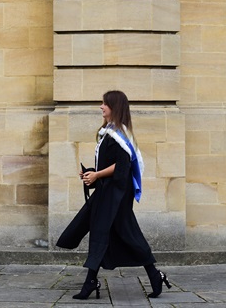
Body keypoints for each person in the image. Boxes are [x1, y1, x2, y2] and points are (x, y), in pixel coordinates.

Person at [56, 90, 171, 300]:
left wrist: (97, 174)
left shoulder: (119, 135)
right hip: (108, 192)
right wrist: (92, 173)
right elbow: (110, 165)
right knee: (109, 233)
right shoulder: (108, 132)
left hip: (117, 194)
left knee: (120, 234)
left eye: (104, 103)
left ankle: (148, 275)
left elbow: (122, 166)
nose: (101, 106)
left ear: (114, 107)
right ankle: (151, 275)